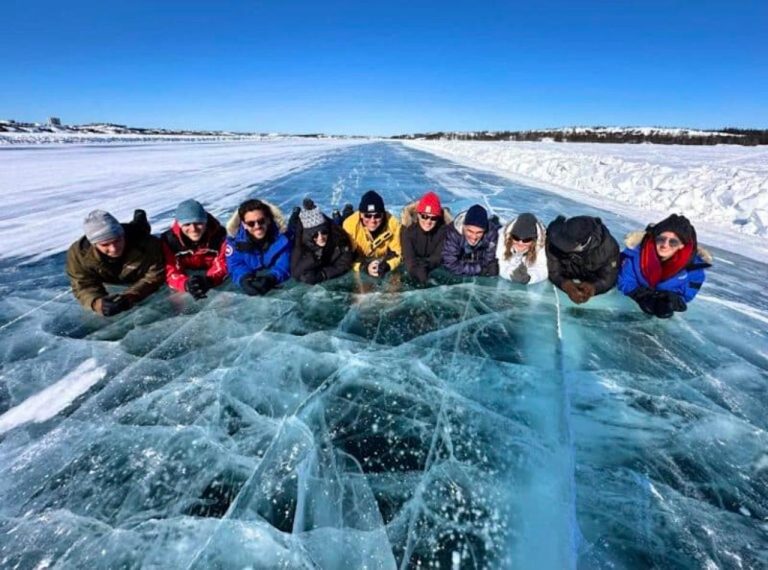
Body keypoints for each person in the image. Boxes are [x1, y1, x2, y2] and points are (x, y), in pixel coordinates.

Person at [66, 209, 164, 316]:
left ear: (123, 235)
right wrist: (98, 303)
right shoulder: (79, 254)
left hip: (136, 242)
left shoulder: (149, 244)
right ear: (94, 244)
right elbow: (83, 284)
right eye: (105, 244)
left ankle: (140, 222)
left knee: (139, 229)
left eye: (117, 240)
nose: (114, 249)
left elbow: (155, 275)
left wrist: (130, 296)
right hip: (111, 278)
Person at [617, 214, 711, 318]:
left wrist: (673, 300)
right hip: (631, 304)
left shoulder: (694, 269)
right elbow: (625, 281)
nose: (665, 245)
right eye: (661, 239)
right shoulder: (635, 255)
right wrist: (641, 295)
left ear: (682, 245)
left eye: (673, 242)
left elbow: (687, 295)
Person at [161, 199, 228, 299]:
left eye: (198, 223)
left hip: (211, 276)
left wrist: (209, 280)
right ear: (179, 225)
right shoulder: (169, 241)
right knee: (177, 299)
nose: (193, 229)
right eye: (187, 224)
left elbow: (223, 263)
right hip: (185, 277)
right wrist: (186, 284)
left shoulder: (219, 236)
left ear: (205, 222)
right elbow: (171, 271)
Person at [546, 215, 620, 303]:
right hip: (567, 271)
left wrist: (592, 288)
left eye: (567, 245)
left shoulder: (608, 248)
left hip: (591, 277)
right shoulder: (555, 236)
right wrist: (566, 285)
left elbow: (608, 280)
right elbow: (553, 271)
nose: (562, 246)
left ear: (584, 243)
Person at [225, 199, 291, 296]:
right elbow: (235, 264)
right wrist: (244, 278)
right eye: (251, 223)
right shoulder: (234, 242)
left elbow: (284, 263)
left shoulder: (283, 238)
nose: (257, 226)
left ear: (268, 220)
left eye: (261, 221)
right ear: (244, 225)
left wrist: (271, 278)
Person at [291, 198, 354, 284]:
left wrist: (323, 274)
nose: (320, 238)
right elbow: (295, 272)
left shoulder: (339, 237)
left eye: (324, 232)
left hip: (334, 227)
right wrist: (312, 259)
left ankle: (346, 212)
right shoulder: (300, 244)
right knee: (292, 225)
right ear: (308, 237)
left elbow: (344, 264)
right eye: (315, 235)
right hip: (301, 228)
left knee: (341, 223)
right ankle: (295, 213)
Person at [342, 190, 402, 278]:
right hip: (360, 255)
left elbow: (398, 254)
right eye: (368, 216)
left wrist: (387, 265)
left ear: (383, 214)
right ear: (361, 215)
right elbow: (347, 258)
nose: (372, 220)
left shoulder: (394, 224)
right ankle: (347, 212)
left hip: (381, 256)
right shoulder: (349, 225)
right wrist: (364, 267)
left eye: (377, 216)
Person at [400, 191, 451, 285]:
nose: (428, 221)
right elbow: (408, 258)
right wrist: (416, 270)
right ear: (418, 215)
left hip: (432, 267)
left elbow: (438, 256)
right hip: (411, 267)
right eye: (424, 216)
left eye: (433, 218)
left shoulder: (445, 232)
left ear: (438, 218)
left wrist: (426, 267)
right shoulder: (408, 231)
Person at [442, 204, 499, 277]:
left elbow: (489, 260)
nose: (474, 237)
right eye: (470, 231)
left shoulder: (491, 233)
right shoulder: (453, 233)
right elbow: (450, 263)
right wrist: (479, 269)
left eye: (479, 232)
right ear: (463, 226)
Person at [497, 213, 549, 285]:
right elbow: (499, 262)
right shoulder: (502, 237)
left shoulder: (542, 244)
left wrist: (530, 278)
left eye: (526, 240)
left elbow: (543, 269)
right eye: (516, 238)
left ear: (533, 240)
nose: (520, 243)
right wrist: (511, 274)